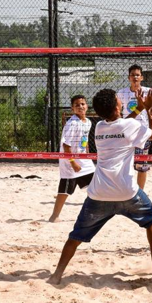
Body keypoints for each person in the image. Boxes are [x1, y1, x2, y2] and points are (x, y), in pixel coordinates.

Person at [47, 87, 152, 285]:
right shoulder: (127, 125)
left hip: (99, 192)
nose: (121, 102)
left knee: (75, 236)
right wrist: (150, 110)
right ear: (118, 108)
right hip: (127, 192)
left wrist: (140, 108)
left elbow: (123, 121)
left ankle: (57, 274)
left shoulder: (100, 125)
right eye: (119, 100)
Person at [49, 94, 95, 222]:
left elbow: (84, 141)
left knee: (95, 185)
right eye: (77, 105)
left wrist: (87, 155)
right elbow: (66, 145)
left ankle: (92, 213)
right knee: (65, 190)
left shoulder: (88, 122)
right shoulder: (72, 123)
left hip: (84, 160)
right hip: (70, 161)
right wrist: (73, 162)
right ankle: (54, 216)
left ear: (87, 106)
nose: (80, 106)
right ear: (72, 109)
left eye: (83, 104)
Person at [117, 64, 152, 191]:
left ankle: (140, 192)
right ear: (128, 78)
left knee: (142, 165)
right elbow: (118, 112)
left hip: (142, 132)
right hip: (127, 132)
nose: (135, 77)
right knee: (124, 163)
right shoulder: (122, 93)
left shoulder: (148, 91)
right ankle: (125, 190)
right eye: (132, 75)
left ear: (142, 77)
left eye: (137, 75)